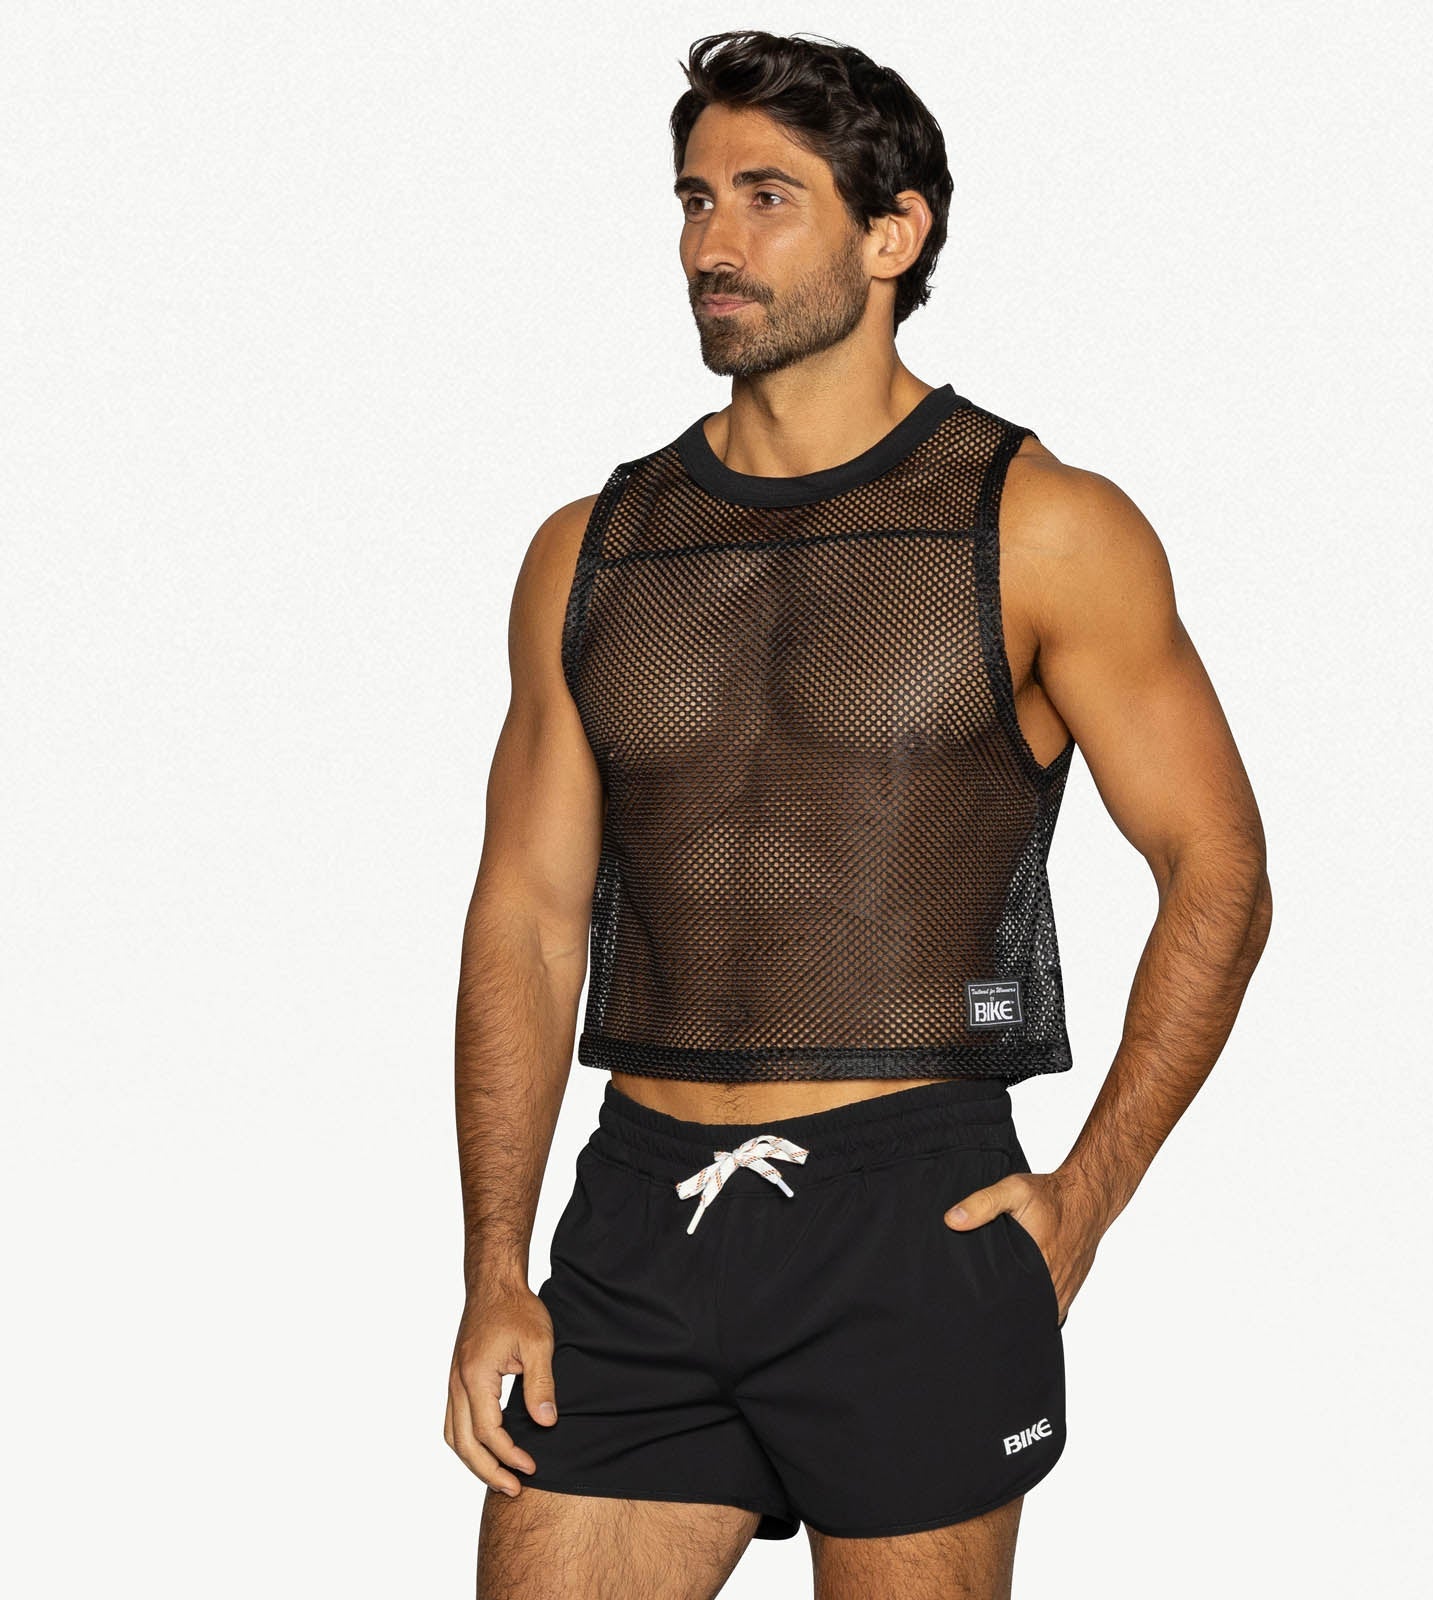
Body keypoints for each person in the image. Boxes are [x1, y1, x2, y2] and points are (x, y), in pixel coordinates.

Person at [445, 29, 1271, 1600]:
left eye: (769, 198)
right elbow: (528, 922)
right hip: (637, 1219)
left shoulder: (1043, 526)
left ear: (895, 235)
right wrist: (495, 1263)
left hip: (910, 1212)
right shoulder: (590, 548)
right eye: (695, 199)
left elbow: (1217, 869)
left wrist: (1084, 1203)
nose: (714, 243)